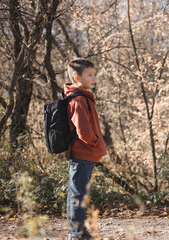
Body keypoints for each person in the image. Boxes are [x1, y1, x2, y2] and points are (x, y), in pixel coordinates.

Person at [64, 58, 107, 240]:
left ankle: (76, 231)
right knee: (78, 195)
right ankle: (78, 234)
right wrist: (96, 142)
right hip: (83, 154)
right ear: (77, 78)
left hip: (83, 154)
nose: (94, 78)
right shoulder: (79, 100)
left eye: (94, 74)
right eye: (89, 75)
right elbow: (84, 132)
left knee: (76, 194)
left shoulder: (82, 97)